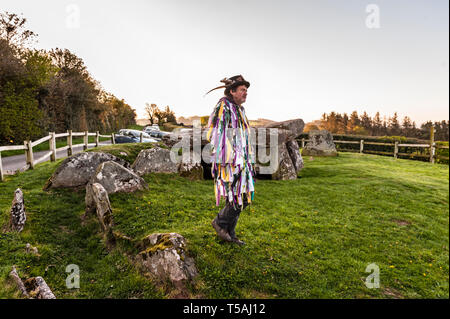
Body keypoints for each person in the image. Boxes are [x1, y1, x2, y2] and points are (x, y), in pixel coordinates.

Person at [205, 75, 255, 245]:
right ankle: (220, 223)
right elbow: (217, 134)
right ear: (232, 91)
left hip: (242, 160)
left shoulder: (240, 110)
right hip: (229, 160)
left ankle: (229, 233)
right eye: (242, 90)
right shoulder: (224, 107)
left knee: (242, 196)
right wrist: (230, 157)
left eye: (246, 90)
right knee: (239, 195)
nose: (246, 93)